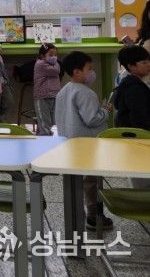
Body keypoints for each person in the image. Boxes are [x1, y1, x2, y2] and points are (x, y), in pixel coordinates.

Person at [55, 51, 113, 231]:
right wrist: (105, 111)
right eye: (89, 69)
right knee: (92, 180)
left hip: (69, 143)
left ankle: (75, 217)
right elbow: (92, 119)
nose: (92, 72)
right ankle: (94, 215)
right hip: (87, 144)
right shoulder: (86, 93)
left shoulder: (64, 91)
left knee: (74, 182)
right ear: (77, 72)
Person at [114, 45, 150, 189]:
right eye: (144, 62)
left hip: (133, 139)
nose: (148, 65)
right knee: (142, 179)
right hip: (139, 139)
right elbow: (140, 118)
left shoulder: (130, 84)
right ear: (131, 66)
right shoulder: (134, 88)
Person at [33, 43, 62, 136]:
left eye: (55, 55)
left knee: (54, 122)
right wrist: (57, 63)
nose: (54, 57)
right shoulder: (40, 64)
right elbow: (56, 70)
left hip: (54, 96)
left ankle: (47, 138)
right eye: (51, 54)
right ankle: (44, 140)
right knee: (44, 124)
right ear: (42, 55)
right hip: (42, 97)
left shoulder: (53, 64)